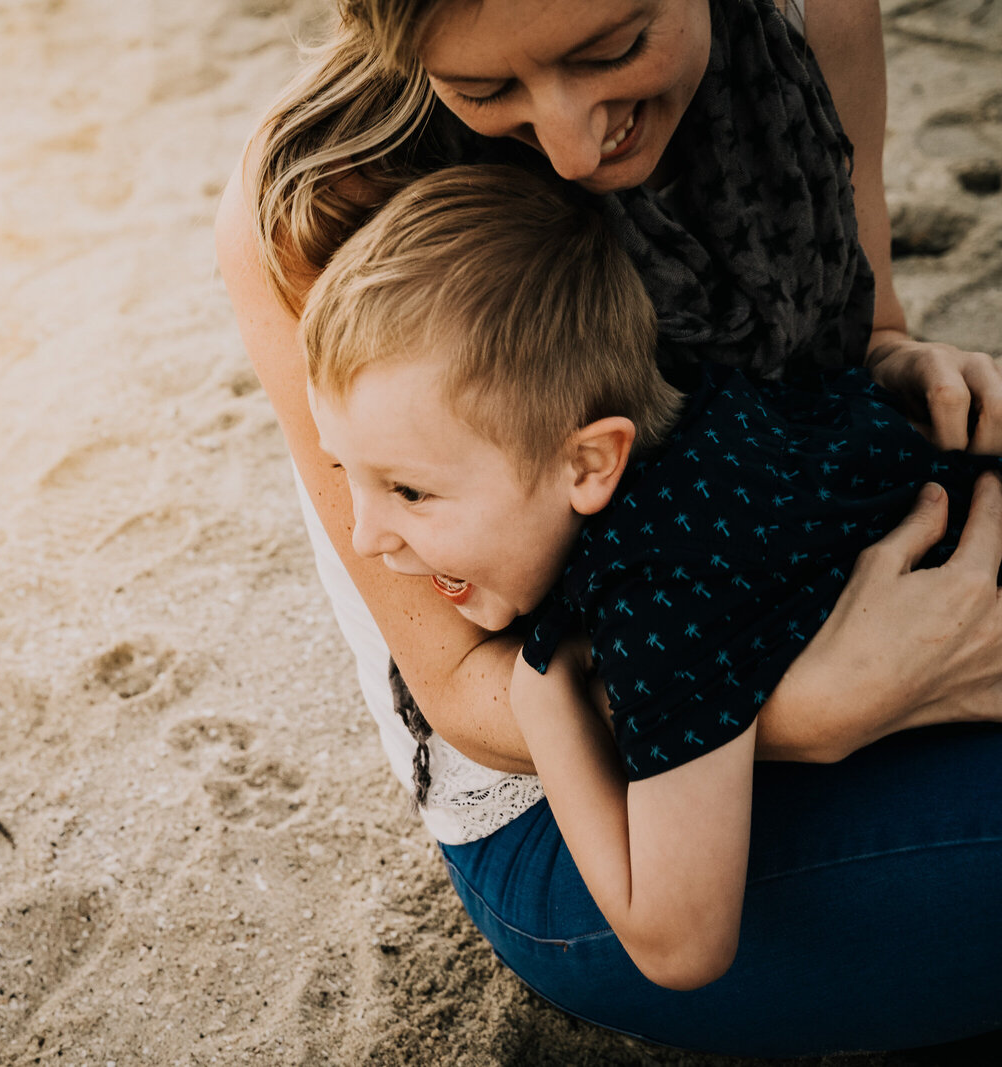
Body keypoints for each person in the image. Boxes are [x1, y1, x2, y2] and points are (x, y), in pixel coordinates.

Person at [214, 0, 1002, 1055]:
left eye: (614, 49)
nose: (574, 146)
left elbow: (861, 333)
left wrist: (898, 370)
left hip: (823, 584)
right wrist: (809, 704)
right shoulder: (319, 195)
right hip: (593, 776)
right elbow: (455, 684)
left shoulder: (810, 19)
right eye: (485, 89)